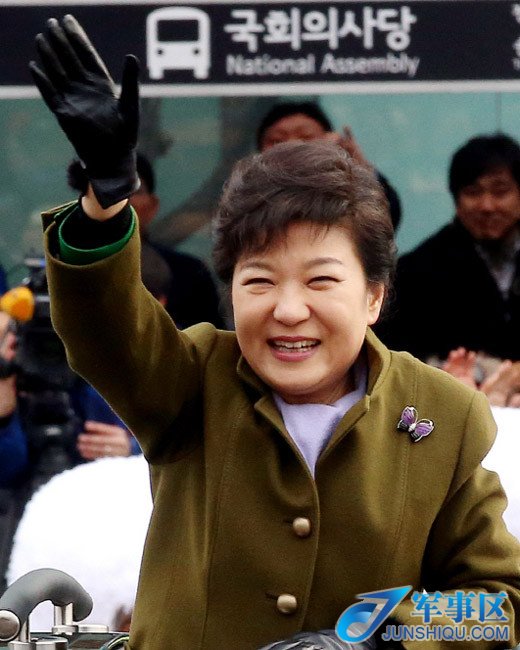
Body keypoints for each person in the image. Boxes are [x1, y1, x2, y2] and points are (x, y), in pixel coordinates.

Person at [30, 15, 520, 649]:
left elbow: (498, 603)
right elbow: (105, 327)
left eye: (321, 281)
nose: (288, 310)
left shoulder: (442, 415)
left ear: (374, 295)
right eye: (259, 281)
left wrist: (375, 639)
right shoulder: (191, 380)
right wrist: (104, 201)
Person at [376, 134, 520, 367]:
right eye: (473, 192)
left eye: (500, 192)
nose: (487, 205)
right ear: (456, 200)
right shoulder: (417, 271)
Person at [68, 153, 226, 329]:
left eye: (133, 190)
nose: (121, 200)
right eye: (107, 190)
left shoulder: (190, 275)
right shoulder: (64, 269)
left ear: (152, 206)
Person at [256, 101, 402, 232]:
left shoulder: (345, 195)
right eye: (277, 140)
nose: (292, 146)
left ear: (331, 142)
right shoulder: (249, 199)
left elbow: (383, 221)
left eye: (306, 137)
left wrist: (358, 166)